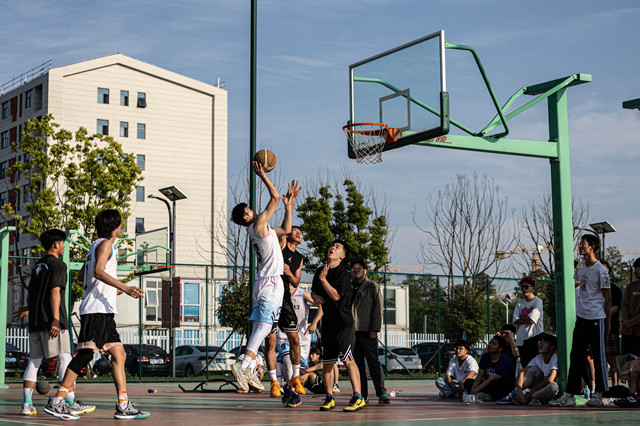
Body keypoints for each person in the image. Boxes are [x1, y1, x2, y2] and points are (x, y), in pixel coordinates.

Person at [44, 210, 148, 420]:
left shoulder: (94, 245)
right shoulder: (106, 244)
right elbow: (98, 271)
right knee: (85, 355)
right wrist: (125, 287)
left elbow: (83, 275)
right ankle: (57, 400)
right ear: (114, 227)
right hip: (96, 312)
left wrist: (109, 289)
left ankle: (123, 404)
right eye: (120, 224)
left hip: (103, 311)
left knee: (119, 354)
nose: (122, 227)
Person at [229, 162, 300, 396]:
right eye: (249, 209)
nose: (253, 210)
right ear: (246, 216)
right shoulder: (258, 225)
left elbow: (286, 230)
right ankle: (244, 365)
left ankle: (248, 367)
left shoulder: (261, 228)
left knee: (263, 328)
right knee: (265, 327)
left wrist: (289, 207)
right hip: (270, 282)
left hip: (265, 282)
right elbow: (275, 197)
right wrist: (262, 175)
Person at [13, 229, 94, 417]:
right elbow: (54, 292)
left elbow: (31, 293)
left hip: (35, 321)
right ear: (56, 244)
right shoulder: (59, 265)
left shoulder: (38, 266)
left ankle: (27, 404)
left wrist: (30, 308)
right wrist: (56, 320)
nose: (64, 246)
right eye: (63, 243)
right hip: (52, 321)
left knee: (34, 361)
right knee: (65, 358)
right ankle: (69, 402)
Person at [550, 234, 611, 407]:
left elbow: (608, 297)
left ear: (592, 246)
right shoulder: (581, 267)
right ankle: (570, 394)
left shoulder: (601, 270)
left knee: (598, 357)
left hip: (597, 318)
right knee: (575, 355)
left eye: (583, 243)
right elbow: (579, 286)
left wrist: (608, 323)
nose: (580, 246)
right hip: (582, 318)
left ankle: (599, 394)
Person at [311, 240, 365, 412]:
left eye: (337, 247)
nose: (332, 248)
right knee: (327, 363)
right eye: (332, 246)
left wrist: (323, 280)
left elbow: (335, 296)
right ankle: (329, 398)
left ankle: (358, 397)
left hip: (343, 324)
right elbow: (314, 291)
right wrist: (314, 297)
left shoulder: (341, 273)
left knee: (348, 360)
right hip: (327, 324)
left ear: (342, 256)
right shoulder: (320, 270)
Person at [269, 225, 307, 396]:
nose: (298, 233)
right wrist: (288, 209)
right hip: (271, 295)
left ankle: (296, 378)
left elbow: (296, 281)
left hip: (285, 298)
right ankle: (273, 381)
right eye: (295, 230)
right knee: (270, 342)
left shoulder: (299, 258)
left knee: (295, 340)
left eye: (300, 233)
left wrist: (289, 273)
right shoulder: (281, 244)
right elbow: (282, 229)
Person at [350, 259, 390, 404]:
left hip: (368, 331)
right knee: (357, 365)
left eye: (359, 268)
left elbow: (378, 308)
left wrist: (374, 328)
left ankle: (381, 393)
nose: (356, 270)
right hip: (353, 332)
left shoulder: (372, 286)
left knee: (373, 363)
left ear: (365, 271)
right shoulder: (348, 287)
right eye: (353, 268)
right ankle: (362, 395)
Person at [497, 333, 559, 405]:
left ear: (552, 347)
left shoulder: (555, 358)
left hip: (544, 391)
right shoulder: (538, 357)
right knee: (534, 370)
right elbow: (522, 372)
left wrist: (533, 391)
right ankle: (515, 394)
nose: (540, 344)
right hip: (536, 389)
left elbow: (550, 379)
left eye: (544, 342)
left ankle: (530, 397)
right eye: (540, 342)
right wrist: (519, 391)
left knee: (553, 386)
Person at [465, 335, 515, 402]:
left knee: (494, 384)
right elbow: (479, 376)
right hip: (487, 383)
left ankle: (488, 396)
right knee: (468, 382)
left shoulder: (505, 360)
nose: (490, 345)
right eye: (490, 342)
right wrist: (472, 392)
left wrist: (475, 391)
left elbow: (491, 379)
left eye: (494, 344)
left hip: (501, 385)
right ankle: (484, 395)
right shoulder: (485, 357)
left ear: (500, 349)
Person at [513, 277, 544, 367]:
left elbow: (532, 318)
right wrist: (527, 318)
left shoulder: (538, 301)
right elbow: (515, 321)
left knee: (535, 367)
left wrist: (522, 318)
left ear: (532, 288)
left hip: (535, 339)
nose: (524, 289)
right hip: (522, 341)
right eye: (522, 287)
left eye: (526, 287)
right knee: (525, 366)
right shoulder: (519, 303)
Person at [601, 259, 622, 386]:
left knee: (612, 360)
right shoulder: (594, 288)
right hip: (596, 328)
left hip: (611, 329)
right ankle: (600, 388)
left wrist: (602, 313)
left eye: (604, 268)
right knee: (598, 360)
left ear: (609, 270)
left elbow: (617, 308)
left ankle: (615, 387)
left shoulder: (614, 289)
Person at [621, 258, 640, 358]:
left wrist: (631, 323)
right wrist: (627, 322)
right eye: (635, 268)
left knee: (636, 362)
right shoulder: (630, 286)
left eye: (638, 268)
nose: (636, 271)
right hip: (627, 331)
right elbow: (624, 305)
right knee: (628, 360)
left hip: (638, 332)